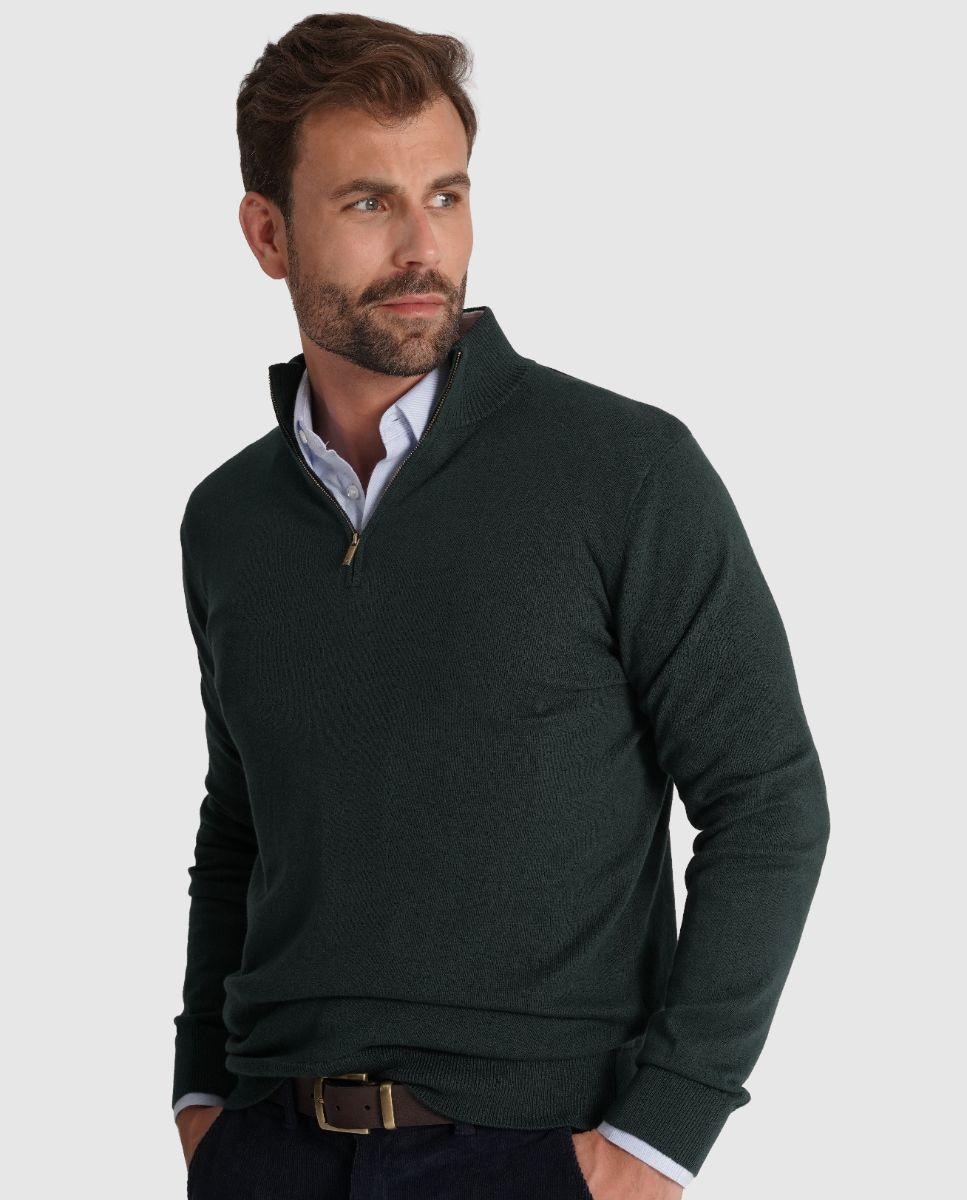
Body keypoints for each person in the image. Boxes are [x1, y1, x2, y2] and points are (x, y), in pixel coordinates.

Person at [172, 13, 830, 1199]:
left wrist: (655, 1141)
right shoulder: (228, 521)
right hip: (269, 1148)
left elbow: (768, 800)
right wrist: (201, 1099)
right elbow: (241, 829)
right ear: (268, 233)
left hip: (532, 1152)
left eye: (447, 195)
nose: (423, 247)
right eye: (368, 203)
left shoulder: (624, 471)